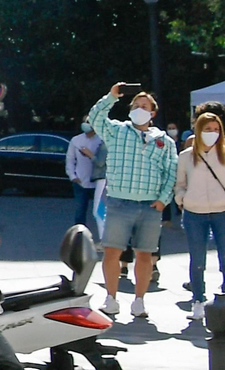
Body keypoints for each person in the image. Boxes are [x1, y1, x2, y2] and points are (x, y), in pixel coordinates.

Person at [88, 83, 177, 319]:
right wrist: (111, 96)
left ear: (153, 113)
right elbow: (96, 117)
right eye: (136, 105)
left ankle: (139, 300)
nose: (139, 108)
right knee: (111, 252)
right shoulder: (116, 131)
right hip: (119, 202)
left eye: (144, 106)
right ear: (129, 110)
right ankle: (111, 299)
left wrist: (162, 200)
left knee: (145, 254)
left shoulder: (164, 141)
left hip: (149, 206)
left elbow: (171, 171)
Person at [176, 110, 225, 321]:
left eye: (216, 129)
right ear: (198, 130)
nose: (212, 133)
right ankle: (198, 299)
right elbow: (180, 184)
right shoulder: (186, 156)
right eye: (208, 129)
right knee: (197, 258)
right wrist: (182, 199)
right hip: (194, 212)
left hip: (221, 210)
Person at [66, 122, 104, 230]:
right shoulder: (76, 140)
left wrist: (90, 154)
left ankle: (103, 236)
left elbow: (102, 161)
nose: (85, 124)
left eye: (89, 121)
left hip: (98, 182)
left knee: (100, 212)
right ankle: (79, 235)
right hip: (80, 182)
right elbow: (70, 159)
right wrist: (72, 176)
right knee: (80, 211)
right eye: (84, 121)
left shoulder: (101, 140)